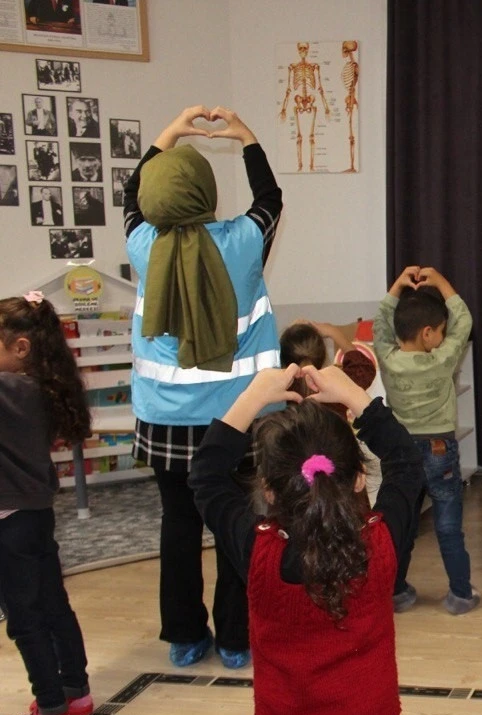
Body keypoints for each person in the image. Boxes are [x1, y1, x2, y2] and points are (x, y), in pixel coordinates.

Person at [190, 363, 421, 715]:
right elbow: (406, 462)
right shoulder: (381, 547)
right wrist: (355, 395)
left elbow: (206, 478)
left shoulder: (258, 553)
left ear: (269, 490)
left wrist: (254, 396)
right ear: (358, 479)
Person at [124, 105, 283, 668]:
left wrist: (171, 130)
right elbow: (270, 198)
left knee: (179, 525)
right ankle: (237, 641)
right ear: (205, 192)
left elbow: (129, 196)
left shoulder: (143, 245)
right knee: (238, 524)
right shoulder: (243, 242)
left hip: (164, 419)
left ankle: (185, 637)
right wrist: (246, 137)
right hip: (235, 420)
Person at [0, 292, 93, 715]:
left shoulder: (8, 389)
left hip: (8, 523)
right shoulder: (40, 389)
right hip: (36, 516)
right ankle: (75, 691)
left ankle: (52, 709)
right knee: (53, 604)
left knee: (25, 618)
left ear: (21, 347)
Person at [373, 265, 477, 614]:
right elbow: (464, 320)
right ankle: (461, 594)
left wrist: (397, 287)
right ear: (428, 333)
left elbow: (380, 325)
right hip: (439, 449)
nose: (445, 337)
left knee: (402, 524)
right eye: (441, 332)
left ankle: (396, 592)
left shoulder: (388, 359)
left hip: (400, 453)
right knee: (448, 526)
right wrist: (442, 282)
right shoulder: (441, 360)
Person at [279, 319, 381, 504]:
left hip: (298, 479)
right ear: (322, 355)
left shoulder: (278, 392)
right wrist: (334, 332)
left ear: (283, 360)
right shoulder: (336, 384)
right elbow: (364, 367)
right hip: (342, 470)